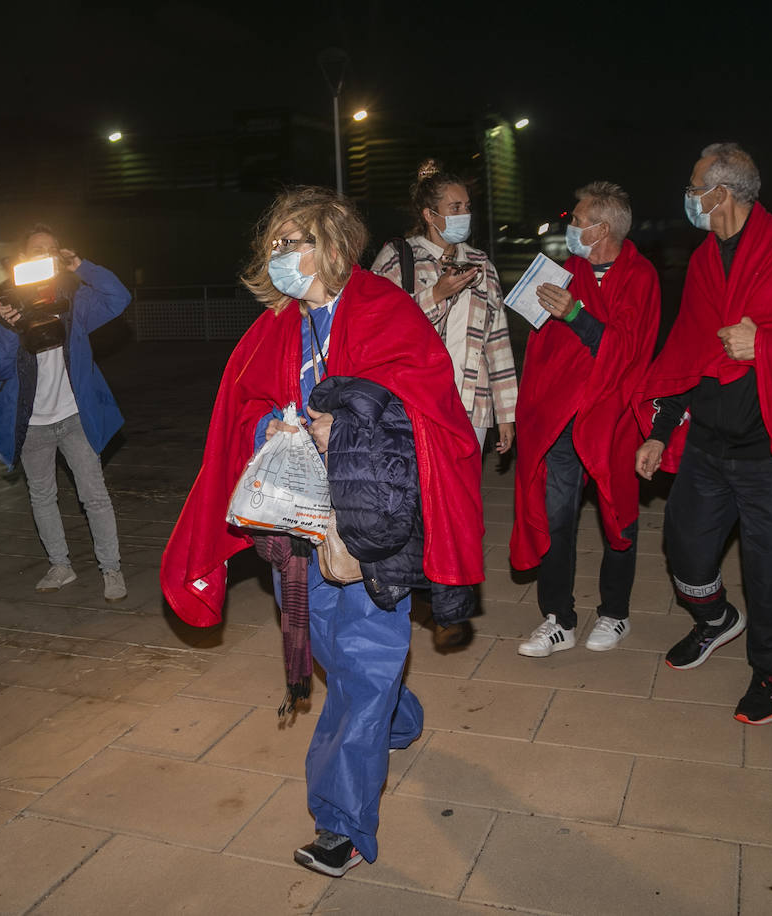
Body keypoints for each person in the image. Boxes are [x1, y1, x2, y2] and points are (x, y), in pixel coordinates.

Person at [160, 187, 483, 878]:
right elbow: (239, 414)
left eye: (293, 241)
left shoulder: (388, 312)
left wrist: (353, 426)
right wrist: (268, 429)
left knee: (363, 666)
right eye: (273, 244)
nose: (279, 255)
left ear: (334, 247)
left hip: (369, 524)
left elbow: (435, 415)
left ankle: (338, 822)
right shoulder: (272, 327)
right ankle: (396, 712)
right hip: (297, 528)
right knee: (337, 656)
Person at [633, 143, 772, 725]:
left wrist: (765, 346)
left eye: (693, 187)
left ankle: (771, 672)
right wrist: (662, 430)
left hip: (770, 451)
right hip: (708, 444)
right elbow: (686, 351)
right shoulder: (706, 260)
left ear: (721, 194)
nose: (687, 197)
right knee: (684, 548)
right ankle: (715, 620)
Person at [510, 182, 660, 657]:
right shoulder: (559, 272)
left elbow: (627, 350)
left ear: (602, 228)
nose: (568, 228)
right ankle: (559, 618)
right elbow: (539, 351)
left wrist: (576, 314)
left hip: (613, 418)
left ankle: (615, 613)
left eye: (576, 221)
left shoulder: (640, 276)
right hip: (560, 422)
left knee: (617, 514)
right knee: (557, 519)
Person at [0, 224, 131, 602]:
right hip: (31, 424)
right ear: (22, 260)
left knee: (94, 495)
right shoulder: (3, 309)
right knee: (42, 496)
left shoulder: (74, 302)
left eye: (51, 250)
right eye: (36, 250)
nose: (43, 254)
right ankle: (60, 565)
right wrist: (10, 328)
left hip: (74, 416)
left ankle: (111, 569)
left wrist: (81, 266)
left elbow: (118, 297)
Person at [370, 160, 517, 454]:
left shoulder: (482, 264)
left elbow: (497, 342)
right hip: (415, 401)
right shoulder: (397, 258)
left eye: (467, 206)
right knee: (421, 493)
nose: (465, 214)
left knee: (464, 494)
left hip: (473, 403)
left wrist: (507, 414)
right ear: (429, 215)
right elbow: (377, 326)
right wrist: (435, 295)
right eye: (455, 208)